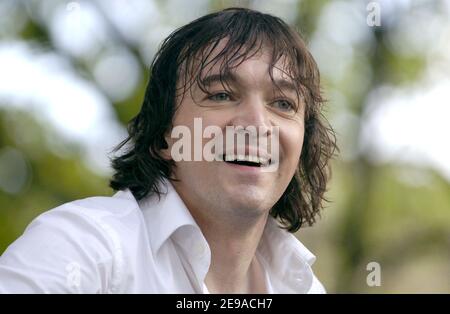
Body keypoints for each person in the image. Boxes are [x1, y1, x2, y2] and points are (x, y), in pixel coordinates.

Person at [0, 7, 337, 293]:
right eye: (221, 95)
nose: (256, 124)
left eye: (282, 103)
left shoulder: (302, 286)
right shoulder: (83, 247)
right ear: (164, 137)